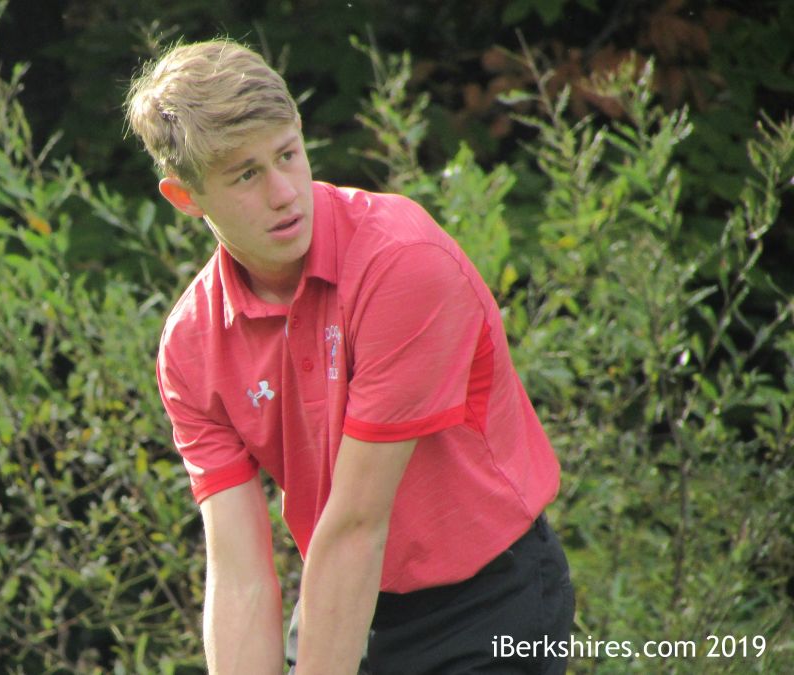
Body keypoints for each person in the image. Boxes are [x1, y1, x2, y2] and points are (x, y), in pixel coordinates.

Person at [125, 38, 575, 674]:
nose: (284, 193)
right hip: (341, 597)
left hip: (490, 601)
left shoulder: (403, 264)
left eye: (288, 155)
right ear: (186, 197)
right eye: (246, 174)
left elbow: (360, 524)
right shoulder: (191, 345)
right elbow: (241, 577)